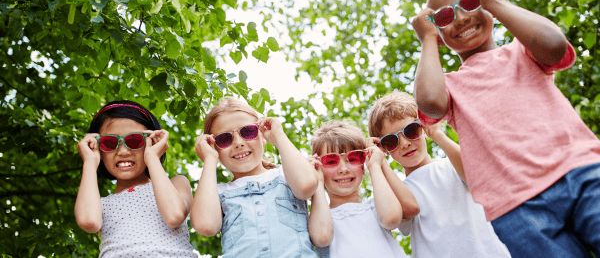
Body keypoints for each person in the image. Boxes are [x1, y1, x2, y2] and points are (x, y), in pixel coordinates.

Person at [411, 0, 600, 256]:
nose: (461, 17)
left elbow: (555, 46)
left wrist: (497, 3)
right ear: (439, 35)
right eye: (444, 16)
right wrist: (427, 40)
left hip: (580, 172)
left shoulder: (524, 50)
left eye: (469, 2)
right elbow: (429, 102)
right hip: (518, 209)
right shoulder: (449, 87)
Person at [368, 91, 511, 257]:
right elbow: (404, 212)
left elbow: (476, 175)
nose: (405, 143)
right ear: (383, 148)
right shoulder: (396, 193)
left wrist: (437, 134)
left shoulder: (452, 165)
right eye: (391, 141)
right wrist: (379, 162)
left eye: (411, 130)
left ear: (423, 126)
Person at [190, 98, 319, 257]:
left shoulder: (287, 175)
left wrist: (278, 135)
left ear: (263, 136)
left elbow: (306, 186)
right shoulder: (218, 193)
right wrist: (209, 159)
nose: (238, 143)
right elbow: (206, 225)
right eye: (224, 139)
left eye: (248, 131)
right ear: (214, 146)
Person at [74, 100, 196, 257]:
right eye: (109, 143)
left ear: (152, 141)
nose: (123, 151)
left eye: (135, 140)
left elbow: (174, 216)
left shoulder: (177, 183)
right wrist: (90, 162)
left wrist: (152, 156)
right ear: (99, 149)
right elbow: (88, 221)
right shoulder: (99, 204)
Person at [310, 120, 419, 258]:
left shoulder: (376, 208)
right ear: (319, 167)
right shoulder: (316, 219)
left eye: (353, 158)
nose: (343, 169)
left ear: (363, 166)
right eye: (331, 161)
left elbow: (391, 219)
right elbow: (322, 237)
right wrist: (317, 181)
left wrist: (375, 166)